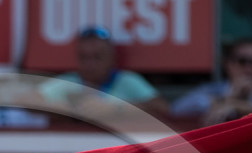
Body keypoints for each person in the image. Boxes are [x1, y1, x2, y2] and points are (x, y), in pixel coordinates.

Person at [21, 25, 169, 121]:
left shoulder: (127, 80)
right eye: (84, 57)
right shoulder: (70, 81)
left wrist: (115, 108)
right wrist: (69, 109)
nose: (90, 64)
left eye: (97, 57)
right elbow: (27, 100)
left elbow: (161, 108)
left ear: (112, 58)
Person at [171, 40, 252, 125]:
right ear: (229, 64)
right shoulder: (212, 89)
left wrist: (234, 105)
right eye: (243, 61)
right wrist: (225, 99)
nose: (250, 68)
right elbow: (177, 109)